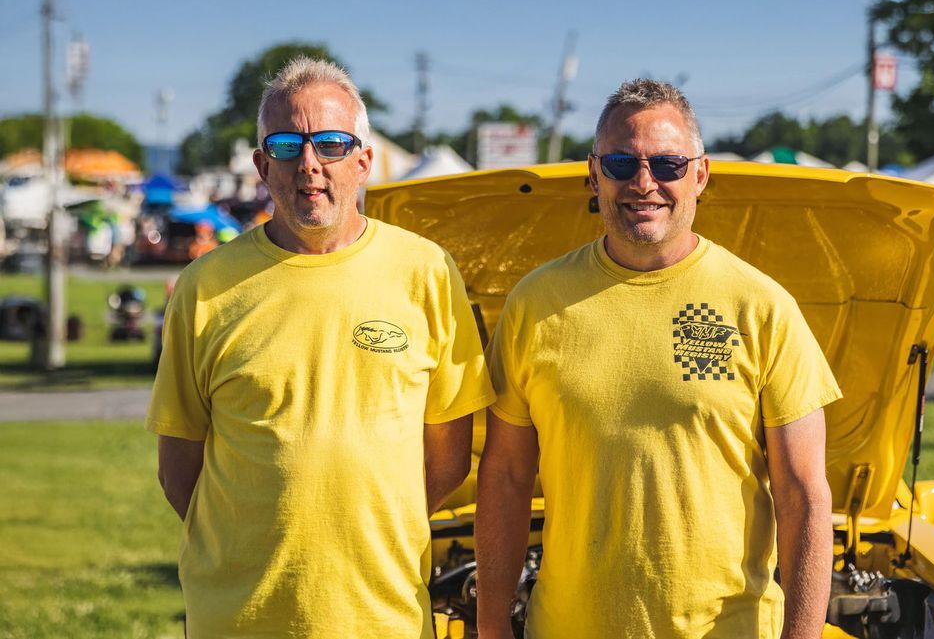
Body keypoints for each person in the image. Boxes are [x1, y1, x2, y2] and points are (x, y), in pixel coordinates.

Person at [475, 79, 842, 639]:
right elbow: (504, 478)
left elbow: (805, 497)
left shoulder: (762, 307)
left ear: (700, 174)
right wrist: (492, 627)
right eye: (622, 163)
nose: (643, 182)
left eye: (667, 164)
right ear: (593, 174)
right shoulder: (534, 302)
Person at [146, 56, 495, 639]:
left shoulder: (426, 271)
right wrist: (253, 542)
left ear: (363, 160)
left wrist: (363, 535)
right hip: (239, 618)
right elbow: (178, 467)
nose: (309, 164)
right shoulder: (205, 288)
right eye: (286, 145)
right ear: (262, 165)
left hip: (383, 616)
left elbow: (448, 460)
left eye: (330, 144)